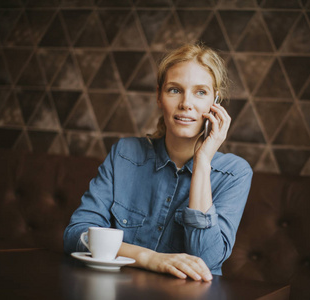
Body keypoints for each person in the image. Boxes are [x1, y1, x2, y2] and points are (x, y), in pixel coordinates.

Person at [64, 43, 253, 282]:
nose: (186, 103)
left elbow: (206, 260)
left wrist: (203, 163)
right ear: (159, 96)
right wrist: (148, 258)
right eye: (175, 90)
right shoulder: (125, 154)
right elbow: (76, 235)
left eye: (201, 92)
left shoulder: (234, 173)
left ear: (215, 102)